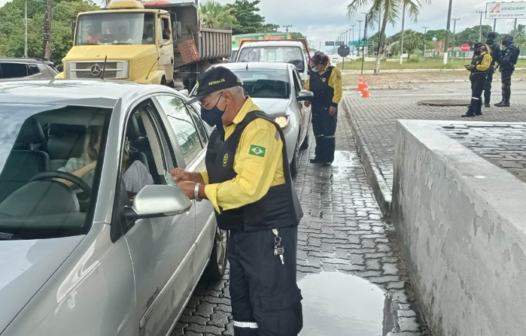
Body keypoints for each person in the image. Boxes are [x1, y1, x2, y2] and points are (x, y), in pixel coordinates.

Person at [170, 67, 303, 336]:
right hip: (242, 232)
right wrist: (196, 176)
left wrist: (200, 191)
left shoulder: (259, 130)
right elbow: (227, 169)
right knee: (243, 305)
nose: (204, 111)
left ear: (225, 97)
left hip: (268, 233)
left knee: (272, 305)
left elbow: (248, 187)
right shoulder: (225, 129)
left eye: (206, 103)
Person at [57, 126, 153, 198]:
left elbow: (147, 202)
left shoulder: (135, 169)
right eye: (106, 141)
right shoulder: (76, 164)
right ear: (95, 145)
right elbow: (54, 186)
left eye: (116, 140)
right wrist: (91, 166)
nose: (113, 145)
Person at [303, 54, 342, 166]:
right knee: (318, 133)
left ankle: (328, 158)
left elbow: (338, 90)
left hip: (328, 107)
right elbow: (307, 87)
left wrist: (334, 104)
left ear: (321, 64)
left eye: (314, 65)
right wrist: (307, 99)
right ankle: (319, 156)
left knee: (328, 134)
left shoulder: (333, 72)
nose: (312, 67)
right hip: (316, 107)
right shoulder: (313, 74)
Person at [462, 43, 492, 118]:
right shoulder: (477, 56)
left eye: (476, 49)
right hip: (474, 76)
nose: (475, 51)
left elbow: (485, 67)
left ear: (482, 49)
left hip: (481, 77)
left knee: (476, 94)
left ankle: (471, 111)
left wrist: (475, 66)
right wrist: (470, 67)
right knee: (476, 93)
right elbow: (474, 66)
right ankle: (478, 111)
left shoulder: (487, 56)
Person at [495, 35, 519, 107]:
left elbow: (506, 59)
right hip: (506, 67)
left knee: (506, 84)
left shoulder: (511, 48)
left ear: (508, 40)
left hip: (507, 67)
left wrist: (499, 57)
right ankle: (503, 100)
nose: (503, 41)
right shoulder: (509, 47)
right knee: (504, 84)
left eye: (504, 40)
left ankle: (506, 101)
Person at [483, 32, 501, 107]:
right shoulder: (496, 46)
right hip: (490, 67)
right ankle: (487, 103)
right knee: (488, 85)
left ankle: (476, 101)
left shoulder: (483, 44)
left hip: (481, 67)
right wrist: (497, 66)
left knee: (478, 85)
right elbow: (498, 58)